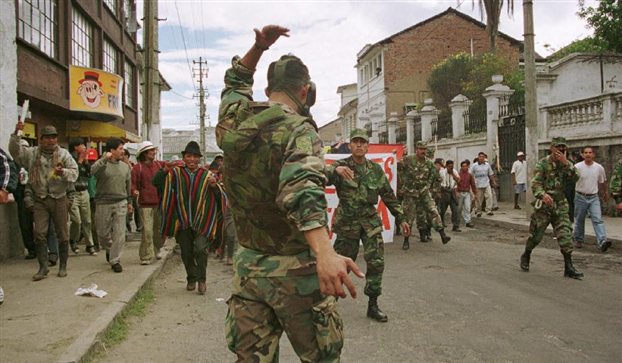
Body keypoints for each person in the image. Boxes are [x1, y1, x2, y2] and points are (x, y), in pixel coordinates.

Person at [217, 25, 363, 362]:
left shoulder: (231, 124)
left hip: (250, 270)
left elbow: (235, 83)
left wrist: (258, 47)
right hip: (299, 276)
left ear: (268, 90)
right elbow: (300, 189)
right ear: (305, 90)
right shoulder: (299, 130)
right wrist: (325, 252)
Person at [327, 128, 410, 322]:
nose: (359, 145)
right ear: (350, 145)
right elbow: (321, 177)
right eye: (355, 142)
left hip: (370, 222)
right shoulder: (341, 166)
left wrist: (402, 217)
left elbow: (388, 195)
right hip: (347, 223)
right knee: (341, 265)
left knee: (376, 263)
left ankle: (373, 305)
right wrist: (334, 170)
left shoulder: (375, 170)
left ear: (367, 146)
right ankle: (328, 306)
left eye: (362, 142)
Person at [9, 124, 78, 280]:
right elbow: (15, 153)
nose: (50, 140)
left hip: (59, 198)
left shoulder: (64, 154)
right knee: (39, 233)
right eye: (47, 137)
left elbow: (75, 173)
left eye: (53, 137)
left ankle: (63, 266)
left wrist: (63, 172)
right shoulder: (32, 154)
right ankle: (43, 267)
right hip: (40, 199)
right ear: (41, 139)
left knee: (63, 233)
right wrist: (16, 134)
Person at [154, 141, 224, 294]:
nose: (192, 159)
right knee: (186, 252)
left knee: (200, 249)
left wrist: (214, 186)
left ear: (199, 158)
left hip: (202, 221)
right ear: (184, 158)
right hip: (182, 220)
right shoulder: (175, 173)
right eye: (188, 156)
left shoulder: (207, 175)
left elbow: (220, 196)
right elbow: (157, 183)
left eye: (195, 157)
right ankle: (191, 278)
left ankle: (202, 279)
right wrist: (165, 169)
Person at [520, 137, 583, 279]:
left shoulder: (566, 164)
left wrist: (566, 163)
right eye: (558, 148)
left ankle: (569, 267)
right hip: (545, 206)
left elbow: (576, 177)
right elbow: (535, 183)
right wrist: (542, 195)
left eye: (563, 148)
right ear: (551, 148)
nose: (560, 151)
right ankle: (526, 254)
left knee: (565, 235)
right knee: (536, 236)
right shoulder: (543, 164)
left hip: (560, 205)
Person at [92, 137, 133, 273]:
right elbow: (93, 171)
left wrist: (129, 202)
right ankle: (110, 248)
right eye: (120, 149)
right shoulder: (102, 165)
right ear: (112, 150)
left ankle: (115, 260)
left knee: (120, 233)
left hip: (121, 201)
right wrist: (104, 159)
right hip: (103, 202)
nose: (123, 151)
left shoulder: (125, 167)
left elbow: (128, 186)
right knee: (102, 234)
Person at [400, 141, 451, 246]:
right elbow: (396, 167)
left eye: (424, 149)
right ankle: (406, 240)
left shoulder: (429, 163)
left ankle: (443, 235)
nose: (423, 151)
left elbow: (435, 177)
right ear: (416, 150)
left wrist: (431, 189)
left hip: (424, 192)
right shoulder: (408, 160)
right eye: (421, 149)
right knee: (409, 218)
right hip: (410, 194)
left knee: (434, 211)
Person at [131, 141, 165, 265]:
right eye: (151, 151)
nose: (154, 152)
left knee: (158, 231)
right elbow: (133, 184)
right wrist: (134, 191)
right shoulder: (137, 168)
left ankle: (157, 248)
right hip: (144, 204)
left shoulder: (158, 165)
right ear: (144, 153)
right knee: (147, 231)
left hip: (158, 203)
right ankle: (146, 256)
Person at [573, 147, 610, 252]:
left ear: (593, 154)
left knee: (597, 219)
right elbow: (570, 180)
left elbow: (603, 181)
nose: (588, 154)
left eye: (590, 153)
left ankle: (602, 241)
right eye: (586, 153)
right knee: (580, 219)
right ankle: (579, 239)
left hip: (594, 197)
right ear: (582, 155)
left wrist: (605, 193)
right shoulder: (577, 167)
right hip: (580, 196)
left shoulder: (599, 168)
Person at [68, 138, 97, 255]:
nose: (84, 147)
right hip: (73, 192)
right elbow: (74, 175)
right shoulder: (70, 159)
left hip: (84, 192)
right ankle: (73, 240)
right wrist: (79, 162)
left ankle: (90, 245)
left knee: (87, 220)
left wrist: (85, 162)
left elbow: (89, 174)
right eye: (81, 145)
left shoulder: (85, 160)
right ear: (75, 147)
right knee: (76, 220)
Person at [471, 151, 496, 217]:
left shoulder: (487, 165)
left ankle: (488, 210)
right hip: (478, 184)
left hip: (486, 183)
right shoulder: (474, 166)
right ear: (478, 157)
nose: (482, 158)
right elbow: (470, 175)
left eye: (483, 157)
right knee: (479, 199)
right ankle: (478, 211)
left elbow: (490, 174)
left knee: (489, 196)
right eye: (480, 156)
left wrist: (493, 182)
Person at [439, 160, 461, 232]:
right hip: (444, 192)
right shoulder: (442, 172)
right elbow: (439, 182)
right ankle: (441, 223)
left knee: (455, 210)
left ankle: (455, 226)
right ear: (446, 166)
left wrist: (452, 174)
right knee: (442, 210)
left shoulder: (454, 171)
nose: (451, 168)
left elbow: (458, 180)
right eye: (449, 167)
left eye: (452, 167)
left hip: (452, 192)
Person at [457, 160, 477, 228]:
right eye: (463, 166)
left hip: (467, 193)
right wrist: (456, 192)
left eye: (466, 166)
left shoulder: (470, 175)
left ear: (467, 167)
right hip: (460, 192)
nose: (464, 167)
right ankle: (457, 222)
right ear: (461, 167)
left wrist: (475, 193)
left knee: (467, 207)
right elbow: (455, 184)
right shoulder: (458, 175)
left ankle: (468, 221)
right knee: (459, 208)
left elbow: (473, 184)